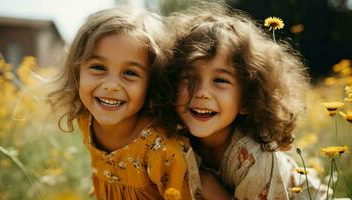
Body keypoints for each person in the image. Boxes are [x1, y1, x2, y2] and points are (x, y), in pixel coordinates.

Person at [161, 4, 328, 200]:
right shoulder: (174, 140)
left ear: (248, 100)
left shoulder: (256, 158)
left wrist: (207, 185)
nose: (201, 93)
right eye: (189, 78)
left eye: (220, 80)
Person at [47, 7, 193, 200]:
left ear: (151, 83)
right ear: (77, 71)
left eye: (130, 73)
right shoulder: (87, 119)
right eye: (98, 67)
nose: (111, 86)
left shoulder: (163, 151)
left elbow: (199, 188)